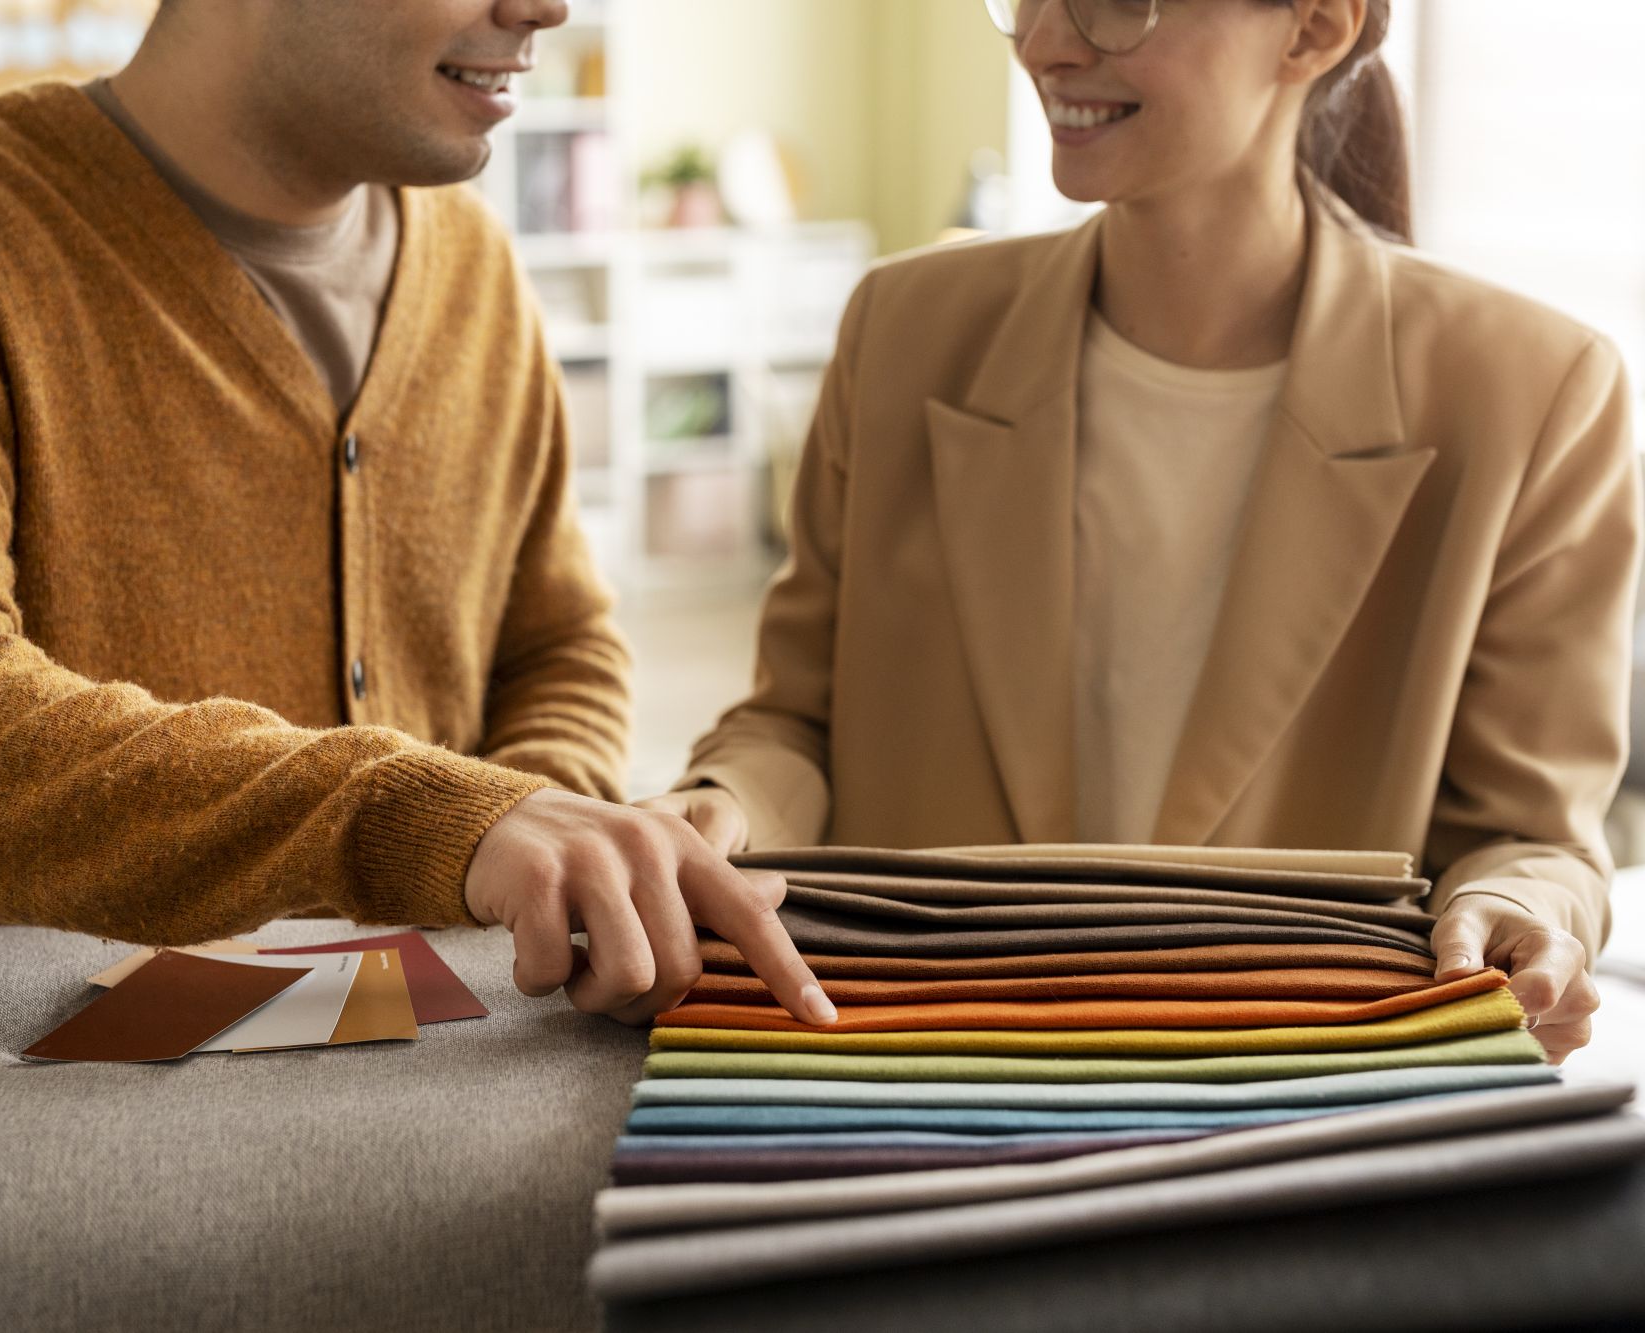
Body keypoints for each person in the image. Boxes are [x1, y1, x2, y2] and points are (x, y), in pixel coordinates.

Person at [0, 0, 834, 1029]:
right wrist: (424, 821)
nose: (548, 6)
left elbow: (558, 640)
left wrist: (540, 851)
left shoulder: (477, 269)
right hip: (65, 1099)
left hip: (445, 1051)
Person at [641, 0, 1638, 1061]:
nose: (1040, 42)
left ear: (1311, 30)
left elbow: (1525, 833)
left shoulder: (1532, 391)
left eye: (1118, 0)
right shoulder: (901, 332)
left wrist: (1519, 911)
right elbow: (793, 724)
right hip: (921, 1060)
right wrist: (717, 805)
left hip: (1287, 1082)